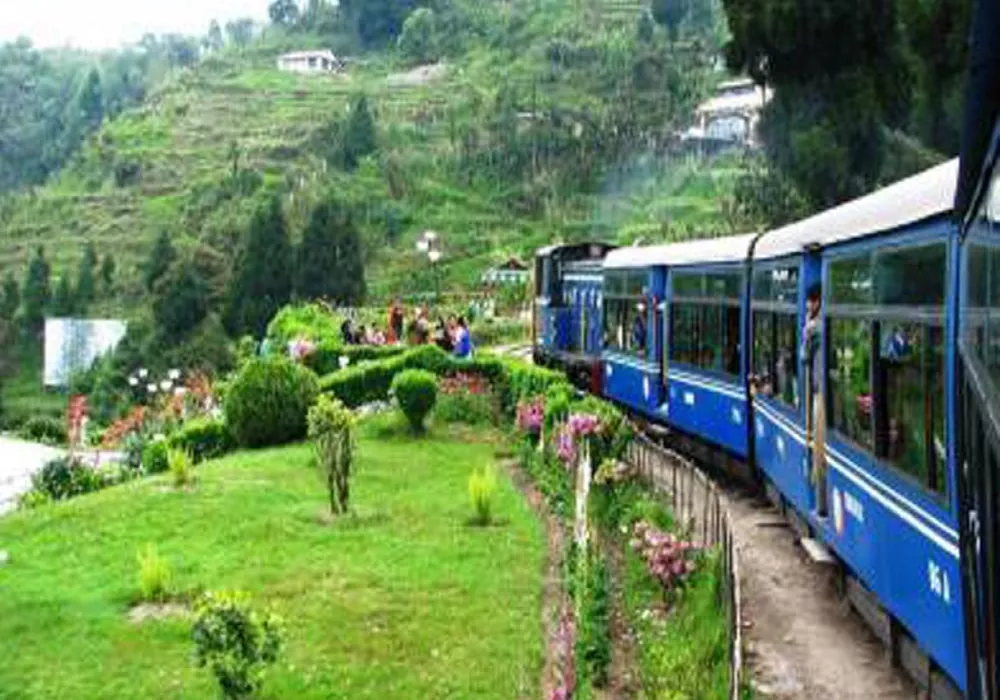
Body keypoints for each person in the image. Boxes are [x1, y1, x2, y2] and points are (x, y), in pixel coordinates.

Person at [801, 283, 827, 516]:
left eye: (809, 301)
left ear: (816, 301)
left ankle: (821, 503)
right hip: (827, 388)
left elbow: (804, 357)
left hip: (819, 392)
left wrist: (806, 327)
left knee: (819, 451)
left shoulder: (813, 327)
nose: (807, 305)